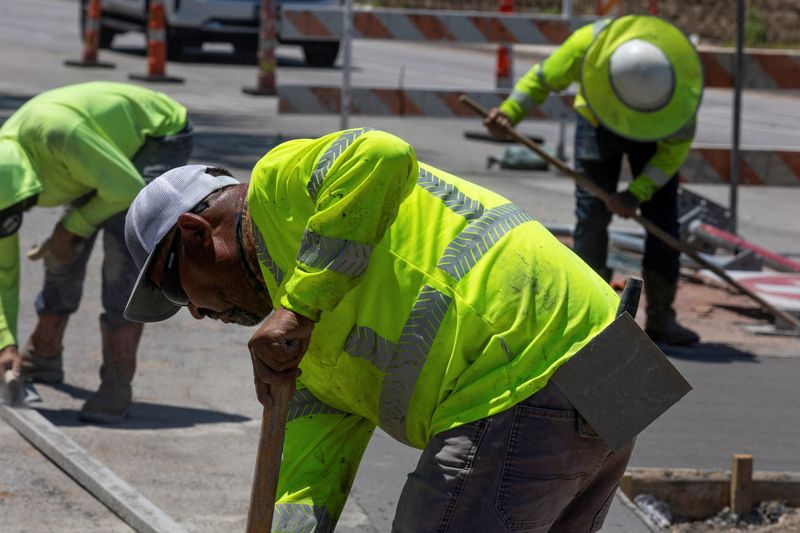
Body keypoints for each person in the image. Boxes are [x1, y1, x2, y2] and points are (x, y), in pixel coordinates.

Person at [123, 128, 636, 532]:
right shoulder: (305, 353)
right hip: (618, 365)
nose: (194, 313)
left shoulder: (278, 187)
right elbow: (307, 480)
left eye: (174, 290)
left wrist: (299, 307)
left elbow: (383, 152)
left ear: (195, 235)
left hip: (535, 355)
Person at [484, 15, 704, 345]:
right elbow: (543, 79)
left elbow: (669, 159)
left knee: (663, 224)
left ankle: (661, 318)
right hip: (598, 122)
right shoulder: (590, 45)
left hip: (656, 136)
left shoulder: (681, 96)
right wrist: (511, 111)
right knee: (592, 218)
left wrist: (636, 193)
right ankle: (591, 319)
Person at [0, 81, 193, 422]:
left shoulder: (58, 137)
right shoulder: (8, 170)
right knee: (65, 248)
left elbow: (126, 188)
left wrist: (72, 227)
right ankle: (43, 352)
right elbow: (4, 276)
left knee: (123, 245)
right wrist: (5, 343)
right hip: (95, 148)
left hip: (157, 135)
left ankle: (118, 380)